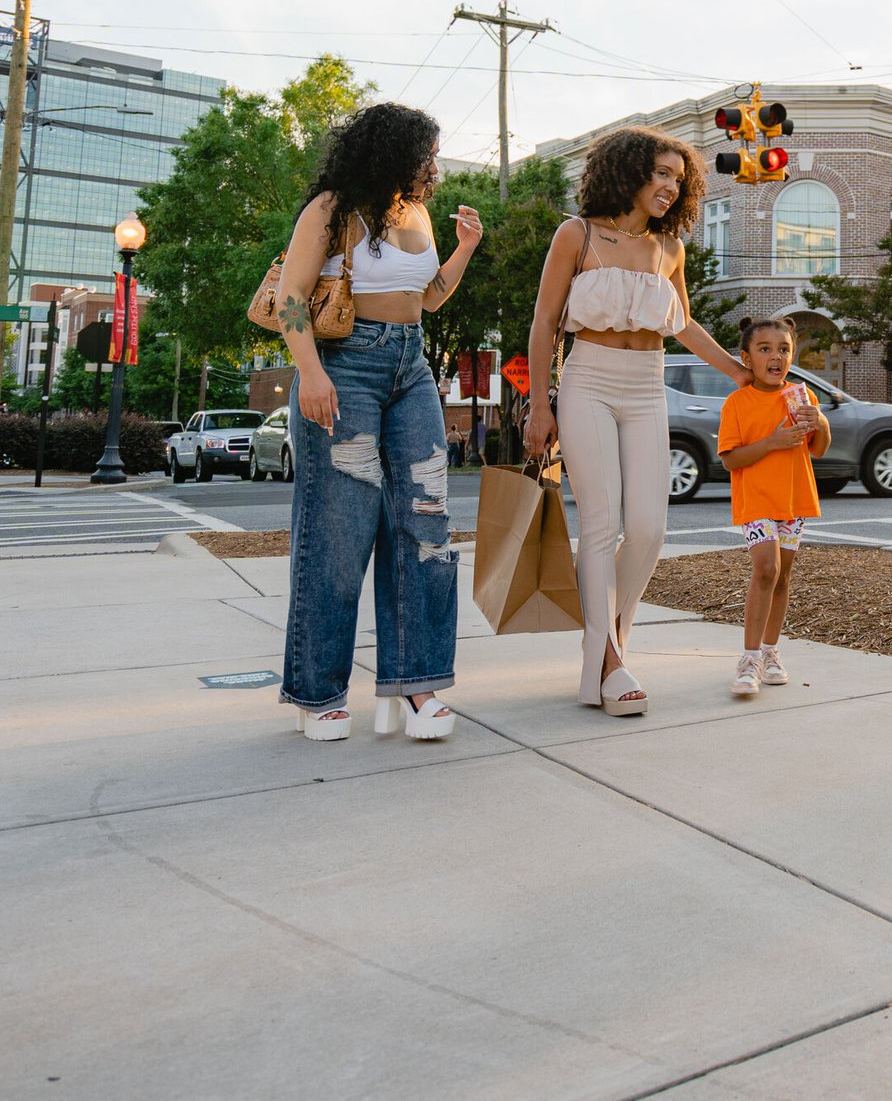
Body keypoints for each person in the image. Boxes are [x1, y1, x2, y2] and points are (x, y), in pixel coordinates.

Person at [275, 103, 483, 743]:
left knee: (425, 521)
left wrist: (467, 248)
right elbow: (290, 297)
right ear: (390, 153)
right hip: (344, 366)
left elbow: (426, 297)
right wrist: (310, 374)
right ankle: (321, 692)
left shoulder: (416, 215)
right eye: (425, 155)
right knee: (339, 531)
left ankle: (416, 684)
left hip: (410, 365)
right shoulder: (332, 210)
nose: (433, 168)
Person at [524, 127, 748, 715]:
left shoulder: (668, 248)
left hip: (648, 384)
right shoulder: (577, 235)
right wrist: (540, 404)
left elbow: (684, 325)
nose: (672, 187)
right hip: (588, 380)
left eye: (680, 178)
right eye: (662, 174)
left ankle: (609, 641)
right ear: (628, 172)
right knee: (600, 523)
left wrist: (738, 371)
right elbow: (545, 322)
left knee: (649, 528)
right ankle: (607, 661)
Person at [718, 317, 828, 698]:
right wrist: (774, 441)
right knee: (766, 569)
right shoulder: (737, 403)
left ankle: (770, 652)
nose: (775, 356)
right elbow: (731, 461)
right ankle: (748, 660)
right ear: (746, 358)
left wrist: (822, 422)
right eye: (764, 349)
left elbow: (818, 448)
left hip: (793, 500)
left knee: (782, 578)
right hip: (755, 501)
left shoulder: (803, 396)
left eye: (783, 349)